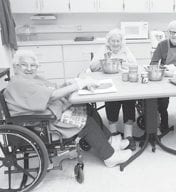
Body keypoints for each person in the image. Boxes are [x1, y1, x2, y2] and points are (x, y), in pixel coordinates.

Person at [4, 50, 132, 168]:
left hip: (45, 114)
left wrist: (67, 84)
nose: (29, 69)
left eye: (33, 66)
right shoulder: (19, 83)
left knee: (86, 108)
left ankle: (109, 141)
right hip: (41, 124)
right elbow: (53, 95)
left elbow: (51, 89)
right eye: (24, 65)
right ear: (15, 66)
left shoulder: (31, 79)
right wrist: (77, 85)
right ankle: (109, 156)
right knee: (86, 122)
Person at [90, 28, 137, 150]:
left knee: (129, 100)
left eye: (118, 41)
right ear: (108, 42)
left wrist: (122, 63)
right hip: (108, 82)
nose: (115, 44)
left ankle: (128, 135)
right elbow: (92, 67)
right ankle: (113, 133)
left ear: (121, 41)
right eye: (113, 41)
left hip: (124, 82)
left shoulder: (125, 50)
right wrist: (104, 60)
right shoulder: (103, 50)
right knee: (112, 101)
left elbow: (134, 65)